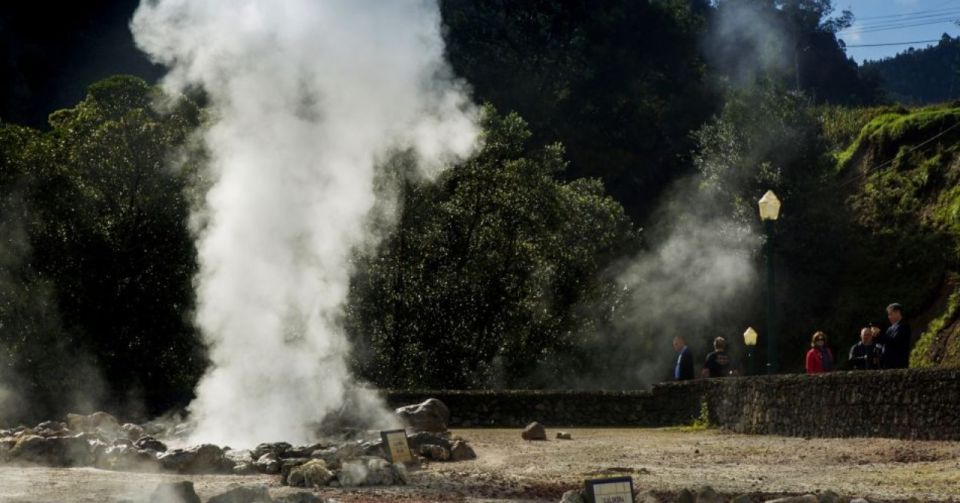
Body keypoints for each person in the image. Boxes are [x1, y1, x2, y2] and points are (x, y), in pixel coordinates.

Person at [875, 303, 912, 369]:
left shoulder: (904, 326)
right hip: (887, 364)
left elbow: (895, 342)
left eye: (890, 314)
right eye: (888, 315)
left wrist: (880, 333)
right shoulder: (890, 328)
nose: (889, 317)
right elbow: (884, 342)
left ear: (898, 313)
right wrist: (876, 335)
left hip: (898, 364)